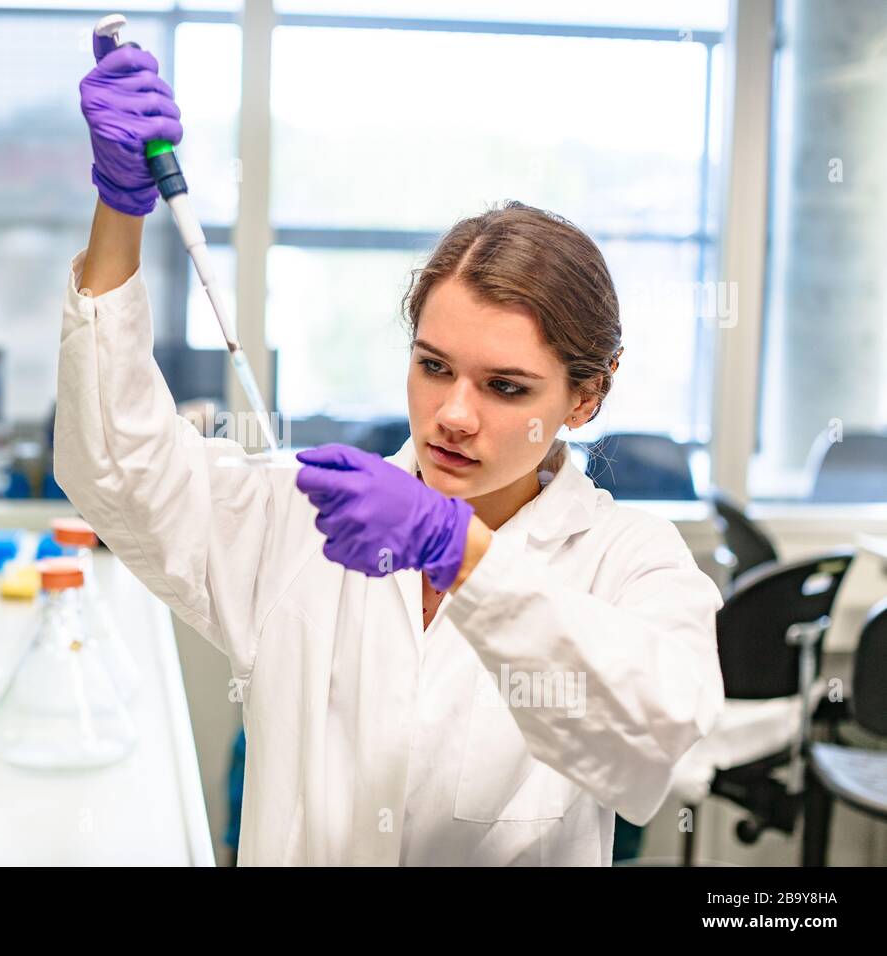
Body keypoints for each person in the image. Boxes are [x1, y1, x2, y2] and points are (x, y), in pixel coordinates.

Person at [56, 34, 725, 866]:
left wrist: (461, 554)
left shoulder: (628, 562)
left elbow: (655, 743)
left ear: (585, 397)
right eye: (433, 366)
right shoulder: (305, 518)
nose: (451, 414)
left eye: (504, 387)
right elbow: (117, 467)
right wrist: (122, 203)